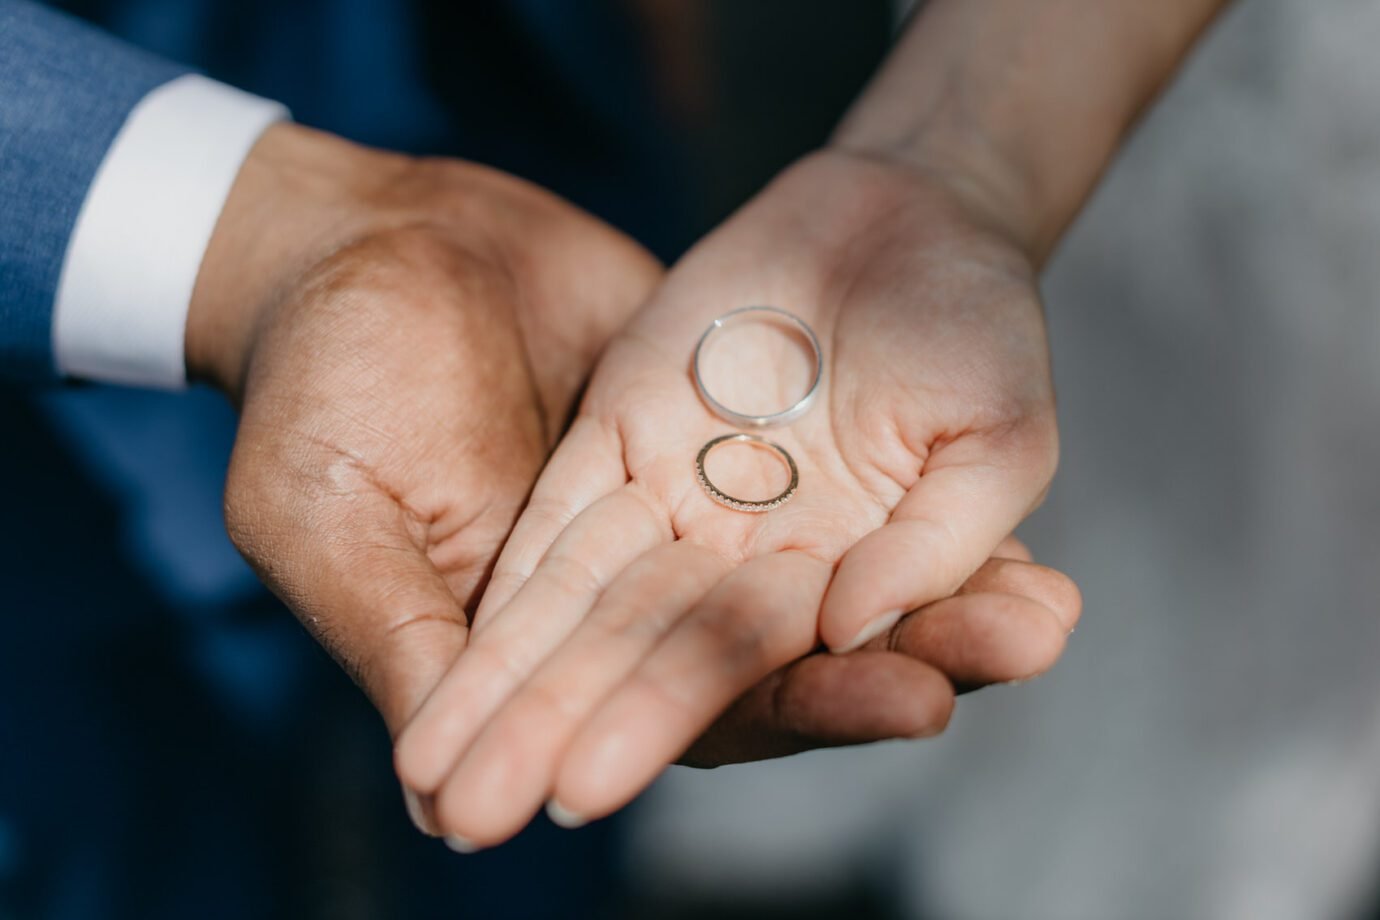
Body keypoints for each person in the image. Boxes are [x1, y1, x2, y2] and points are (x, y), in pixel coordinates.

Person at [0, 0, 1214, 906]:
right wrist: (248, 234)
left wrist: (957, 158)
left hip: (553, 127)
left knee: (536, 809)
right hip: (51, 500)